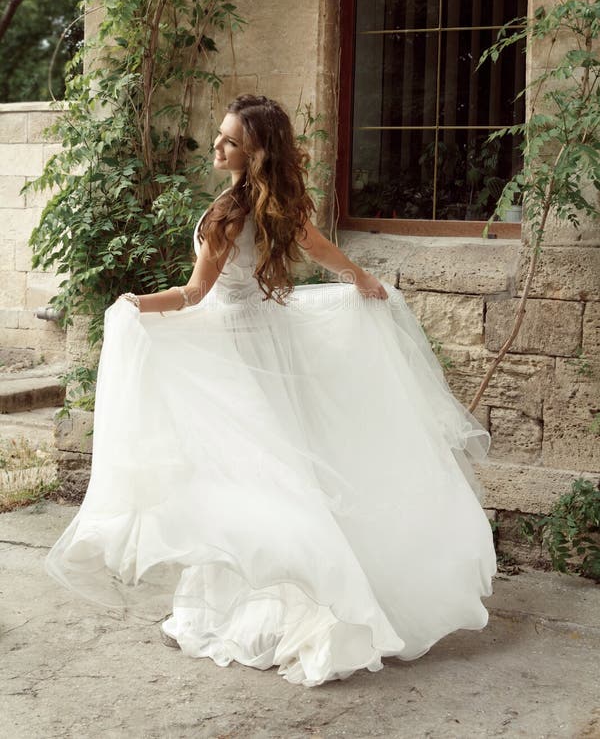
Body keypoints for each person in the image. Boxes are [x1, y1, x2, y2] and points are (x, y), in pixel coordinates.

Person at [46, 94, 496, 688]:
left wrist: (134, 305)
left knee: (252, 476)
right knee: (285, 469)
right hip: (274, 340)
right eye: (220, 136)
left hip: (241, 349)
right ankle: (288, 597)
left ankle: (288, 607)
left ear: (254, 151)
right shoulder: (276, 202)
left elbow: (193, 295)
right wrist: (358, 278)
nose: (217, 146)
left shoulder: (231, 213)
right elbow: (318, 247)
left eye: (230, 140)